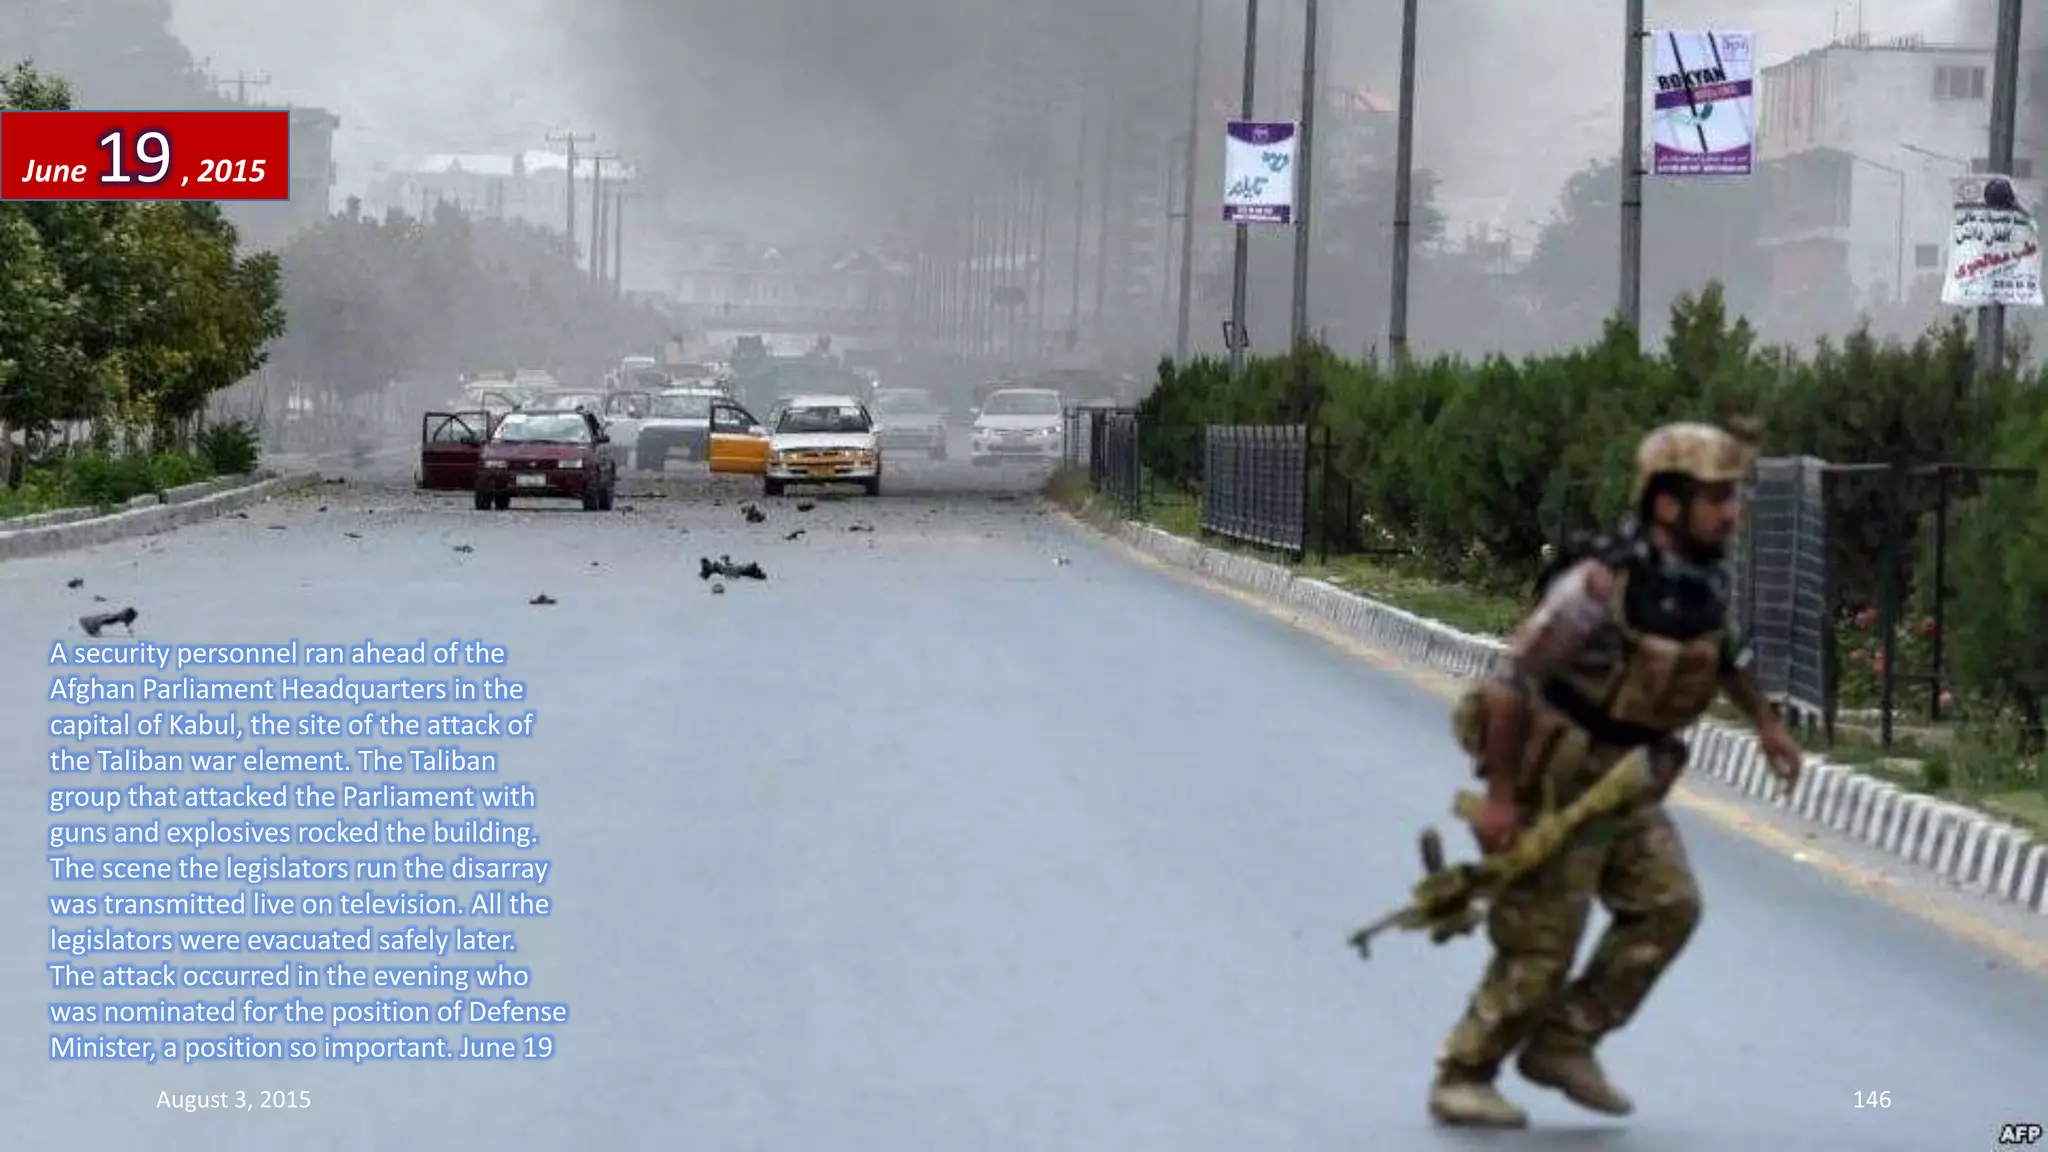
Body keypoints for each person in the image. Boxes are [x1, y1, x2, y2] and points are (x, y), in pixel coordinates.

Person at [1428, 421, 1806, 1129]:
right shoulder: (1599, 587)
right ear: (1667, 504)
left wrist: (1767, 725)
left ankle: (1565, 1039)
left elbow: (1725, 655)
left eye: (1734, 497)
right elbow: (1513, 681)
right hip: (1560, 779)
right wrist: (1502, 799)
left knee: (1668, 905)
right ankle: (1464, 1070)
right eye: (1717, 498)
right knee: (1545, 939)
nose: (1733, 512)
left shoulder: (1697, 582)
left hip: (1630, 781)